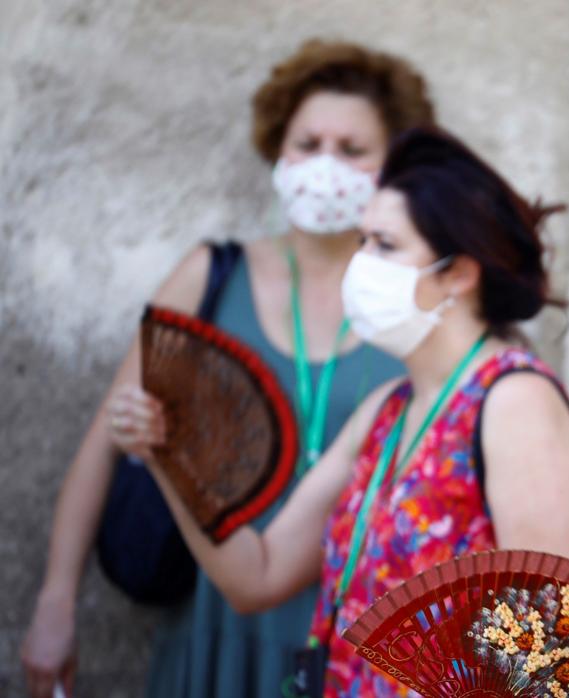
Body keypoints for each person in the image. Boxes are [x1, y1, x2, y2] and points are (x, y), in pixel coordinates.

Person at [21, 39, 435, 698]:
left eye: (353, 150)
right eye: (308, 143)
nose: (325, 165)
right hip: (213, 615)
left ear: (395, 168)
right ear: (278, 151)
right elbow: (105, 441)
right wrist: (56, 602)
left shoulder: (418, 302)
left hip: (357, 632)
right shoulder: (212, 276)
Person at [147, 126, 569, 698]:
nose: (360, 264)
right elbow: (256, 576)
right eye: (362, 242)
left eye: (384, 245)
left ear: (457, 272)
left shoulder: (513, 402)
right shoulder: (389, 408)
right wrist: (166, 452)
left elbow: (549, 652)